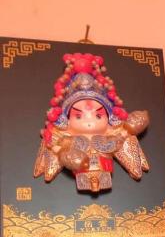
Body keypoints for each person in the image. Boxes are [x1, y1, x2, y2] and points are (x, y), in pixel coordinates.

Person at [34, 52, 149, 193]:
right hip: (80, 171)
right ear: (67, 120)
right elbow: (55, 145)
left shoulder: (113, 137)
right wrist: (59, 149)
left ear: (109, 118)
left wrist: (127, 131)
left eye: (98, 115)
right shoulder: (67, 140)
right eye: (78, 116)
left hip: (104, 168)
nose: (89, 121)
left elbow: (119, 140)